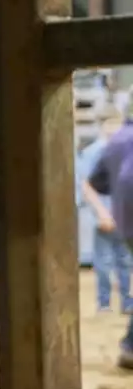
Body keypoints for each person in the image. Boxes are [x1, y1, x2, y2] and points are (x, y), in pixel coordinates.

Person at [85, 113, 133, 370]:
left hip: (125, 224)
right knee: (108, 263)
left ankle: (130, 346)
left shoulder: (116, 141)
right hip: (123, 219)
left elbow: (96, 182)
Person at [78, 106, 133, 313]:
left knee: (122, 261)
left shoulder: (109, 147)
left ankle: (123, 303)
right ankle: (106, 302)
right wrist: (102, 213)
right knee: (106, 262)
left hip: (118, 214)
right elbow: (87, 184)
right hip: (110, 214)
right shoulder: (100, 150)